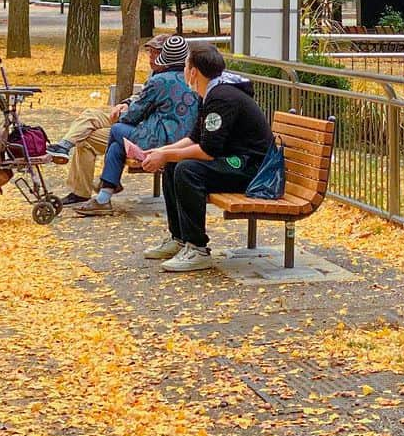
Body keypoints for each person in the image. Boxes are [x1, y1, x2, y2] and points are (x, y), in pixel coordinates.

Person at [140, 45, 272, 274]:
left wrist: (165, 154)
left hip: (251, 168)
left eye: (186, 65)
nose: (183, 70)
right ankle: (179, 238)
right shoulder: (210, 92)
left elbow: (207, 151)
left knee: (188, 170)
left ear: (193, 72)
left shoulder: (222, 97)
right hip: (234, 160)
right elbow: (194, 138)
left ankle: (198, 248)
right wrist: (161, 152)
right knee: (173, 164)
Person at [48, 35, 200, 209]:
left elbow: (135, 114)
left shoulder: (161, 80)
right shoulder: (188, 77)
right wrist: (126, 104)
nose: (151, 57)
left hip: (157, 136)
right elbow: (143, 99)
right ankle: (101, 192)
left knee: (111, 133)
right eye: (150, 52)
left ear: (164, 56)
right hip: (168, 132)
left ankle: (102, 189)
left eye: (156, 53)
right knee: (96, 122)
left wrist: (125, 114)